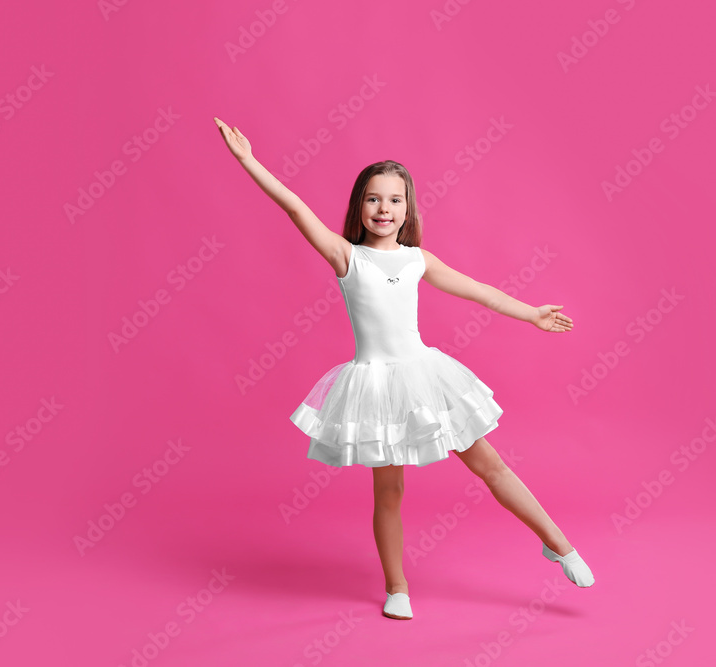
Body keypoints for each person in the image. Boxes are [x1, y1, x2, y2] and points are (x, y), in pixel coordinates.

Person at [214, 117, 595, 621]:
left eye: (394, 200)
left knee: (491, 465)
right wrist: (249, 161)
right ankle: (397, 587)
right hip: (374, 384)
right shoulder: (346, 256)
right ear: (359, 207)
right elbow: (294, 206)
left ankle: (559, 544)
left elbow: (481, 291)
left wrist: (530, 313)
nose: (384, 209)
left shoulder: (418, 260)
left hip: (424, 379)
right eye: (373, 199)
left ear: (408, 208)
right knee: (388, 492)